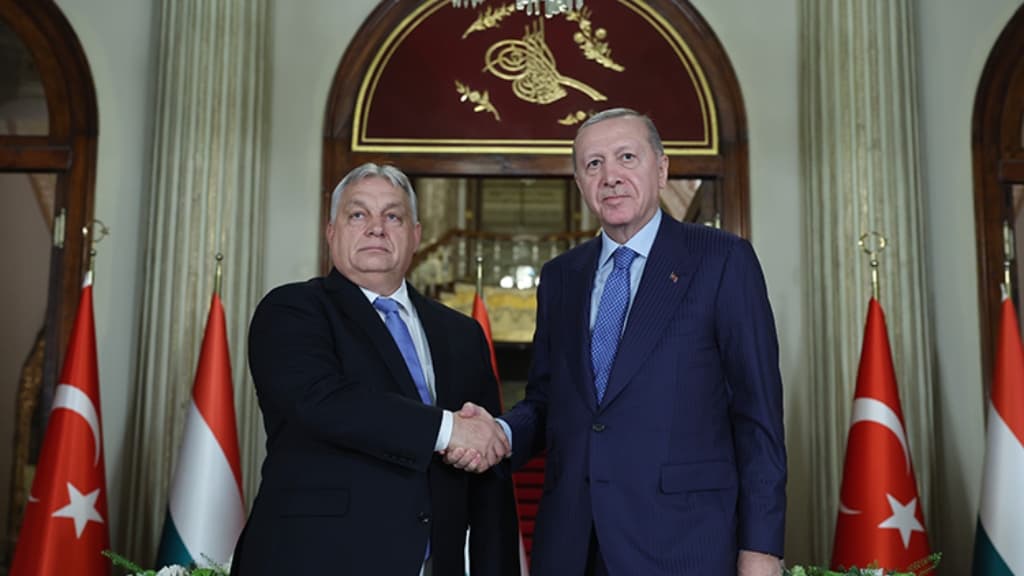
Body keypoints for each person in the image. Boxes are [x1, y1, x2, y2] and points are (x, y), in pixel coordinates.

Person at [450, 108, 787, 575]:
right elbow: (547, 401)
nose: (610, 176)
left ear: (661, 168)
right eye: (594, 164)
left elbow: (757, 415)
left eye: (627, 157)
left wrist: (761, 548)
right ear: (579, 182)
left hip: (684, 544)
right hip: (572, 545)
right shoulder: (561, 277)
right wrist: (501, 434)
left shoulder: (722, 259)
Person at [231, 163, 520, 575]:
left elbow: (487, 475)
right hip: (316, 560)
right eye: (358, 214)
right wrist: (448, 429)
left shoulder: (462, 333)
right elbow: (323, 402)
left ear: (416, 235)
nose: (376, 228)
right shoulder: (292, 310)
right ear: (331, 232)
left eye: (393, 216)